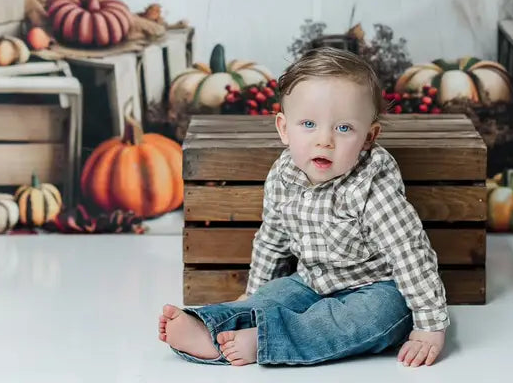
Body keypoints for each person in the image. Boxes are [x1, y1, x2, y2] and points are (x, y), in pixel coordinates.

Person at [158, 47, 449, 367]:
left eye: (343, 128)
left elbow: (409, 252)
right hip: (310, 279)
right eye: (308, 123)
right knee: (272, 299)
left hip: (376, 286)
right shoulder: (284, 178)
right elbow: (272, 239)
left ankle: (265, 341)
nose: (324, 140)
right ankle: (208, 325)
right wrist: (253, 293)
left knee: (373, 319)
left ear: (368, 137)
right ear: (284, 128)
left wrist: (429, 325)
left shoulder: (372, 187)